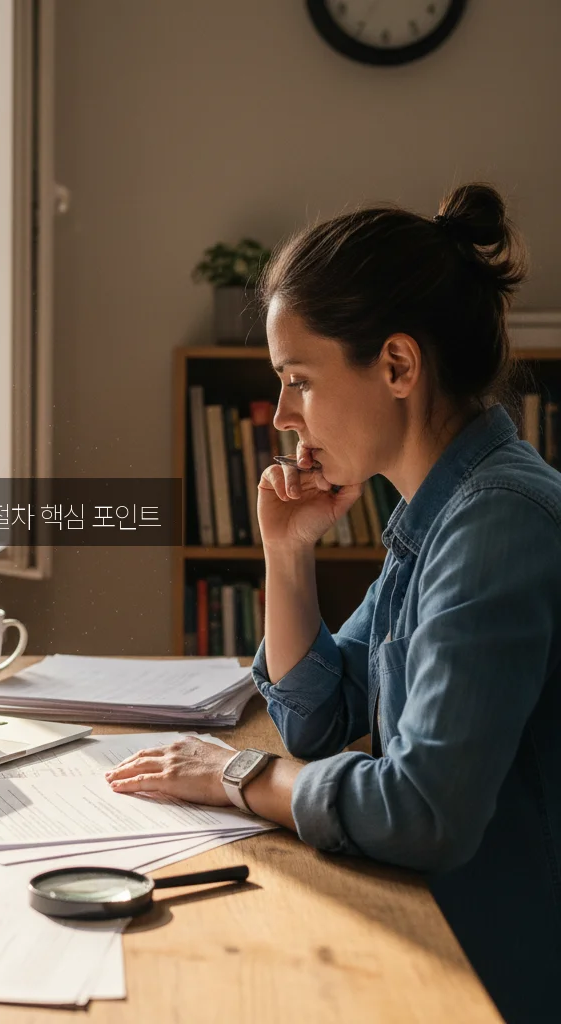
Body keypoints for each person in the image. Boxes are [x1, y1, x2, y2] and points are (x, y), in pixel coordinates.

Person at [105, 183, 561, 1023]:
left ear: (397, 366)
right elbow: (318, 719)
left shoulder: (499, 523)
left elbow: (422, 812)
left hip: (500, 969)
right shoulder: (439, 513)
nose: (283, 417)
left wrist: (235, 774)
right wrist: (287, 555)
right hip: (440, 929)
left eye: (298, 380)